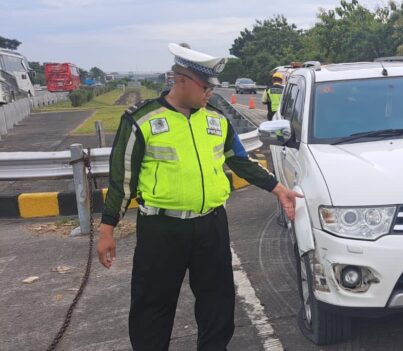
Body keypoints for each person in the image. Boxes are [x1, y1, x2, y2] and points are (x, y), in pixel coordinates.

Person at [95, 42, 302, 350]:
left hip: (211, 225)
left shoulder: (216, 119)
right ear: (181, 80)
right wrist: (107, 230)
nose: (210, 93)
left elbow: (240, 161)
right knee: (153, 306)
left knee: (218, 303)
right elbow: (122, 181)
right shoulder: (141, 120)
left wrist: (278, 188)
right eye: (205, 87)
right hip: (161, 230)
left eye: (212, 87)